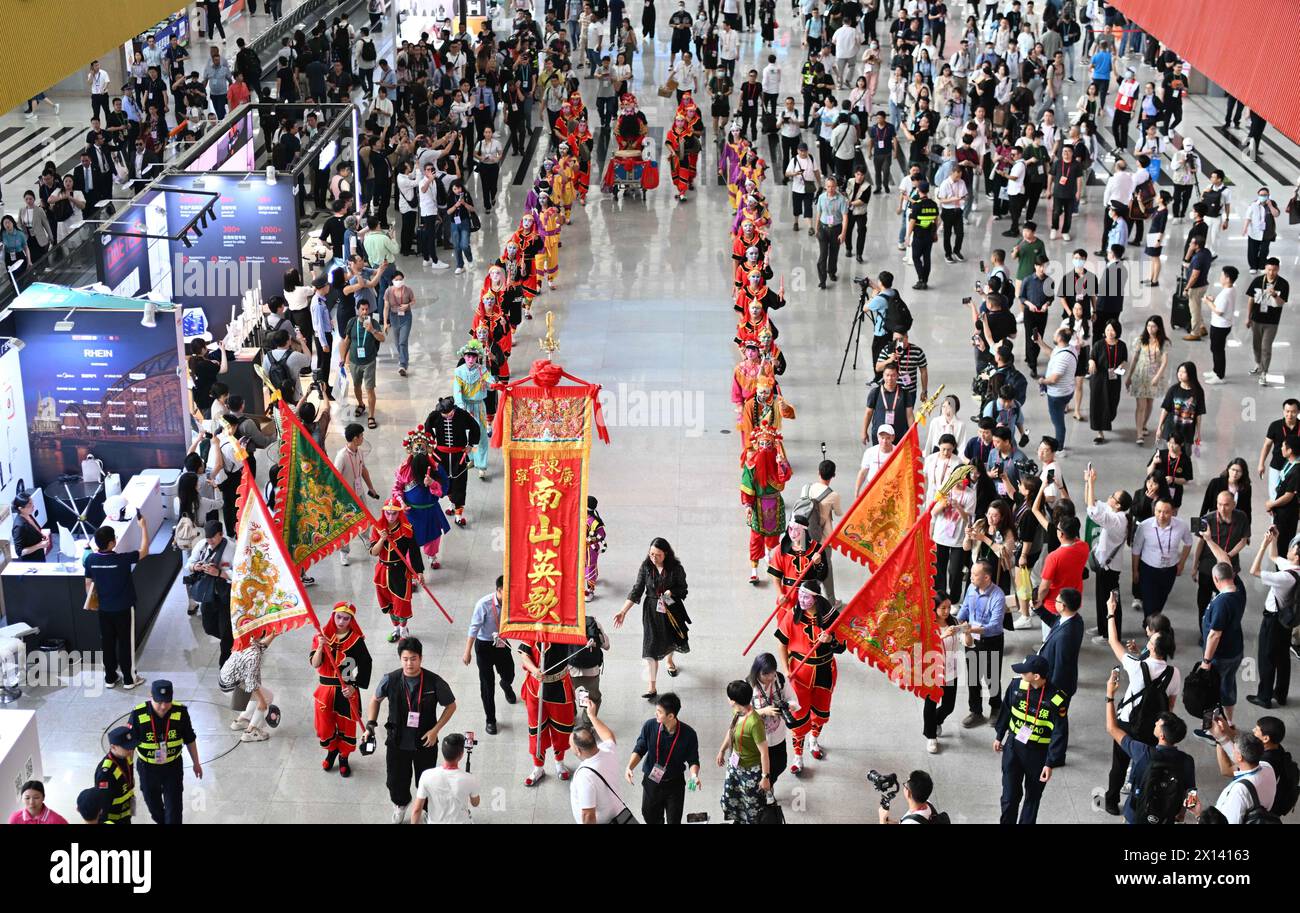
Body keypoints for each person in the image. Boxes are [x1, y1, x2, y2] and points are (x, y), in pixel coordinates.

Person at [365, 636, 458, 823]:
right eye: (405, 659)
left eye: (413, 659)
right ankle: (400, 806)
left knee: (427, 781)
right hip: (396, 742)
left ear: (421, 658)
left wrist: (435, 730)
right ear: (400, 659)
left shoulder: (434, 682)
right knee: (395, 780)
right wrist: (370, 725)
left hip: (425, 742)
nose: (409, 663)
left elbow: (451, 706)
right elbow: (375, 699)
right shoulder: (390, 680)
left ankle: (426, 809)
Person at [1102, 670, 1195, 824]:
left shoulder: (1143, 752)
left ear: (1162, 736)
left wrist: (1109, 695)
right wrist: (1181, 814)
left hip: (1136, 814)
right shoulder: (1187, 761)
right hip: (1166, 818)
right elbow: (1191, 792)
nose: (1155, 723)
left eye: (1158, 724)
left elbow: (1112, 728)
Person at [993, 654, 1070, 825]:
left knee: (1032, 798)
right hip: (1013, 747)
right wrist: (1000, 736)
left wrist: (1050, 763)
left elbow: (1059, 732)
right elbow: (1006, 710)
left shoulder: (1056, 699)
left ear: (1036, 676)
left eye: (1024, 671)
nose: (1020, 673)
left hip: (1038, 754)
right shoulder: (1016, 685)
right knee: (1009, 796)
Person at [614, 537, 690, 699]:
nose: (653, 558)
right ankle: (652, 687)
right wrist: (623, 611)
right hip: (651, 611)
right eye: (651, 554)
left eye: (658, 555)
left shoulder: (676, 568)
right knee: (651, 647)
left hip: (671, 608)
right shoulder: (646, 567)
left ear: (666, 554)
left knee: (672, 639)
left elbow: (683, 589)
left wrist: (671, 592)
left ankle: (669, 661)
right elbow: (637, 590)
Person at [126, 680, 201, 825]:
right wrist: (128, 773)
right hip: (147, 768)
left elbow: (190, 739)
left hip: (172, 766)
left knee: (174, 808)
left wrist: (196, 763)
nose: (163, 706)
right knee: (153, 806)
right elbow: (129, 746)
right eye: (159, 702)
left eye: (167, 701)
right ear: (150, 696)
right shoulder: (138, 714)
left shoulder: (181, 712)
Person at [310, 602, 373, 776]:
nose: (341, 621)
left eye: (346, 618)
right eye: (339, 617)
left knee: (347, 725)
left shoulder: (356, 640)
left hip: (346, 690)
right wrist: (321, 646)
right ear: (333, 615)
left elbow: (366, 664)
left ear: (351, 620)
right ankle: (332, 751)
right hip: (325, 690)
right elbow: (315, 664)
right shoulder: (321, 636)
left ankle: (344, 756)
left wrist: (354, 687)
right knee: (324, 726)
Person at [84, 522, 148, 690]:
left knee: (107, 643)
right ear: (111, 543)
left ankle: (110, 677)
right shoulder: (122, 559)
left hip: (104, 609)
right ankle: (129, 678)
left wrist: (93, 603)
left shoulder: (90, 560)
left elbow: (88, 583)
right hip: (124, 608)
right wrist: (143, 527)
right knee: (126, 643)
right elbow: (144, 551)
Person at [625, 692, 702, 823]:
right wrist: (629, 767)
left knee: (674, 820)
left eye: (659, 712)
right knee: (649, 815)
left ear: (671, 716)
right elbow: (640, 748)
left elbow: (693, 759)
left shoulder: (689, 734)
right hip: (652, 780)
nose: (656, 714)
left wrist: (694, 775)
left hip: (674, 784)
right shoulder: (650, 726)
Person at [461, 575, 518, 735]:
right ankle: (490, 720)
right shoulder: (483, 604)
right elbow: (473, 628)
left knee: (510, 673)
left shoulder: (512, 602)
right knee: (487, 684)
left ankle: (506, 685)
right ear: (499, 590)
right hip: (484, 645)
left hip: (502, 643)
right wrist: (467, 652)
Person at [518, 638, 577, 787]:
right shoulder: (533, 628)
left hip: (560, 688)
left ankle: (559, 763)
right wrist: (534, 670)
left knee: (561, 730)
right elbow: (524, 655)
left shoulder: (565, 631)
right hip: (535, 689)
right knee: (536, 730)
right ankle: (538, 768)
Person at [717, 679, 772, 823]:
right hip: (735, 766)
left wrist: (765, 777)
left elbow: (764, 753)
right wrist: (722, 750)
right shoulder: (738, 712)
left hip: (750, 771)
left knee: (751, 804)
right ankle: (738, 820)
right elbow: (731, 731)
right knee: (733, 797)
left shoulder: (754, 723)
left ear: (733, 701)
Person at [1199, 562, 1247, 726]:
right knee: (1228, 687)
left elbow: (1215, 635)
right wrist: (1210, 541)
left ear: (1215, 578)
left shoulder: (1222, 603)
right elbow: (1225, 561)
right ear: (1232, 575)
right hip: (1235, 650)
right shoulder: (1240, 590)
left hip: (1220, 656)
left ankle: (1211, 729)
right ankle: (1229, 722)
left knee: (1210, 692)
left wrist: (1206, 662)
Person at [1131, 498, 1193, 618]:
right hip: (1148, 569)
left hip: (1169, 569)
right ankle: (1149, 625)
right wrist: (1135, 571)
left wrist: (1182, 563)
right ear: (1154, 510)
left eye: (1166, 512)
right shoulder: (1145, 526)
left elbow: (1188, 542)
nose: (1161, 515)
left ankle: (1153, 622)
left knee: (1161, 599)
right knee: (1149, 601)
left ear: (1173, 512)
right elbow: (1136, 549)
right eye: (1158, 511)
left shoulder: (1181, 526)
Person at [1197, 732, 1276, 824]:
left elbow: (1230, 821)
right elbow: (1239, 759)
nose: (1232, 751)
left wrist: (1199, 816)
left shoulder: (1239, 791)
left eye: (1234, 749)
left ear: (1239, 757)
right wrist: (1221, 738)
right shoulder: (1267, 767)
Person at [186, 520, 233, 664]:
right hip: (208, 593)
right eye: (207, 537)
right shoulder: (202, 545)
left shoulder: (232, 548)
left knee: (225, 633)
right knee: (209, 628)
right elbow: (189, 564)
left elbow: (240, 574)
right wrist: (196, 567)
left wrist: (219, 573)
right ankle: (234, 642)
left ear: (221, 534)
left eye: (213, 537)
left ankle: (225, 666)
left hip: (225, 595)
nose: (210, 540)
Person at [411, 733, 480, 824]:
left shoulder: (426, 775)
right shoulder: (470, 779)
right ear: (461, 754)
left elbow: (417, 810)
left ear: (443, 751)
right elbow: (475, 803)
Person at [1245, 258, 1289, 385]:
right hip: (1256, 319)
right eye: (1269, 269)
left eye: (1274, 270)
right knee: (1256, 345)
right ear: (1265, 268)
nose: (1271, 272)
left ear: (1278, 269)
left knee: (1266, 347)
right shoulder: (1257, 281)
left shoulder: (1283, 284)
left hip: (1272, 322)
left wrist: (1275, 295)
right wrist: (1248, 317)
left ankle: (1264, 372)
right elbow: (1250, 300)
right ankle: (1258, 364)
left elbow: (1281, 303)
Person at [95, 726, 140, 824]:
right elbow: (103, 804)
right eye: (127, 747)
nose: (131, 750)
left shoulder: (125, 757)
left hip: (125, 815)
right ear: (113, 747)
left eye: (131, 746)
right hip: (113, 820)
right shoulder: (105, 773)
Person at [812, 176, 848, 289]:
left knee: (833, 253)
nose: (830, 189)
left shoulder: (841, 199)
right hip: (823, 228)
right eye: (828, 186)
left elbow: (845, 218)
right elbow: (818, 214)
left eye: (832, 186)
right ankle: (822, 279)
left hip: (836, 229)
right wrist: (816, 228)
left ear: (836, 187)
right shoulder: (822, 198)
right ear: (825, 187)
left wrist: (843, 233)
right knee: (823, 255)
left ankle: (831, 271)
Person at [1205, 266, 1239, 384]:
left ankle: (1219, 376)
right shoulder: (1230, 290)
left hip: (1220, 326)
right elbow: (1222, 304)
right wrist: (1214, 300)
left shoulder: (1226, 293)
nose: (1220, 277)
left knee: (1217, 350)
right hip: (1223, 325)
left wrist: (1208, 302)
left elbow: (1219, 311)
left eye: (1222, 275)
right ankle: (1216, 371)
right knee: (1216, 349)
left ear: (1228, 278)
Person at [906, 179, 940, 289]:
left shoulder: (917, 205)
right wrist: (935, 233)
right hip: (929, 235)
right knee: (927, 258)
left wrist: (907, 236)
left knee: (916, 257)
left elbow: (912, 222)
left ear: (919, 190)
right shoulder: (934, 204)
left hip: (919, 235)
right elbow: (937, 221)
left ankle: (921, 279)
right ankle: (925, 280)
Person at [877, 770, 942, 823]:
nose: (904, 785)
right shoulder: (928, 804)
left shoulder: (911, 822)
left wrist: (882, 820)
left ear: (908, 792)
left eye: (905, 785)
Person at [1242, 188, 1281, 273]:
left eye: (1265, 195)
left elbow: (1276, 214)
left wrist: (1270, 205)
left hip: (1267, 232)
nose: (1262, 197)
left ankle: (1262, 265)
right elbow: (1248, 217)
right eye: (1261, 195)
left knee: (1264, 250)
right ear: (1258, 195)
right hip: (1254, 231)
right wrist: (1245, 228)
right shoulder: (1253, 204)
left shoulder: (1272, 203)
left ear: (1268, 195)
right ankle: (1253, 266)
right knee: (1252, 250)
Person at [10, 492, 51, 562]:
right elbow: (19, 552)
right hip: (30, 561)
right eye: (29, 505)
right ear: (21, 508)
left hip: (39, 555)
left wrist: (41, 535)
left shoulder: (28, 515)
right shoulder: (19, 527)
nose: (33, 507)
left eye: (32, 503)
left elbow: (34, 530)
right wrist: (39, 545)